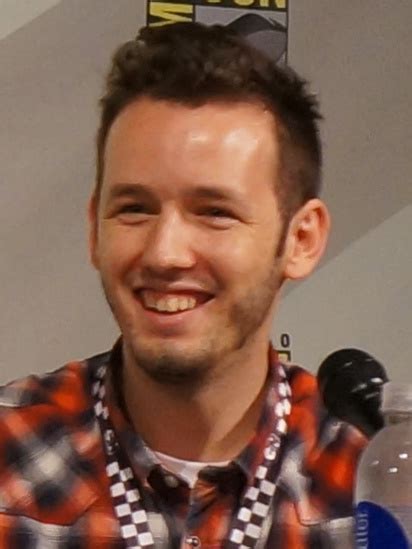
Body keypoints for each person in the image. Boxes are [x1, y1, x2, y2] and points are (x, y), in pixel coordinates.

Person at [0, 22, 365, 548]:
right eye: (134, 209)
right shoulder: (9, 451)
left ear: (301, 239)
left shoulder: (375, 478)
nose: (165, 252)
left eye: (214, 212)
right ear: (94, 229)